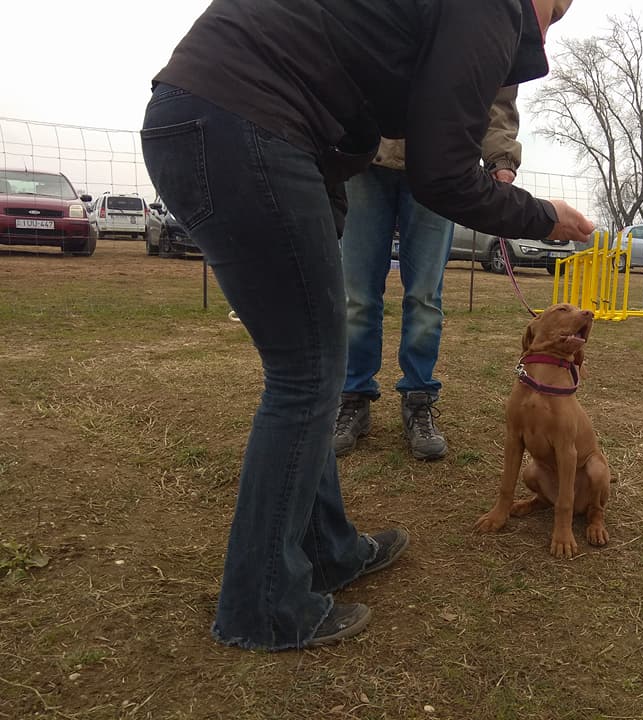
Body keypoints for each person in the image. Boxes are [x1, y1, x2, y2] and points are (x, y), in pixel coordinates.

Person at [140, 0, 592, 651]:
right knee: (305, 377)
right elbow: (441, 174)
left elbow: (365, 83)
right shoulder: (494, 4)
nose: (541, 36)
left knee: (313, 371)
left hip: (222, 118)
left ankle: (327, 548)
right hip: (245, 123)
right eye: (557, 13)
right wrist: (542, 215)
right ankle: (263, 608)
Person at [335, 86, 522, 461]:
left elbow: (496, 91)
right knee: (357, 297)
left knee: (424, 296)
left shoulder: (488, 40)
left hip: (440, 162)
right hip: (364, 154)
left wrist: (500, 155)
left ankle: (418, 398)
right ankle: (353, 398)